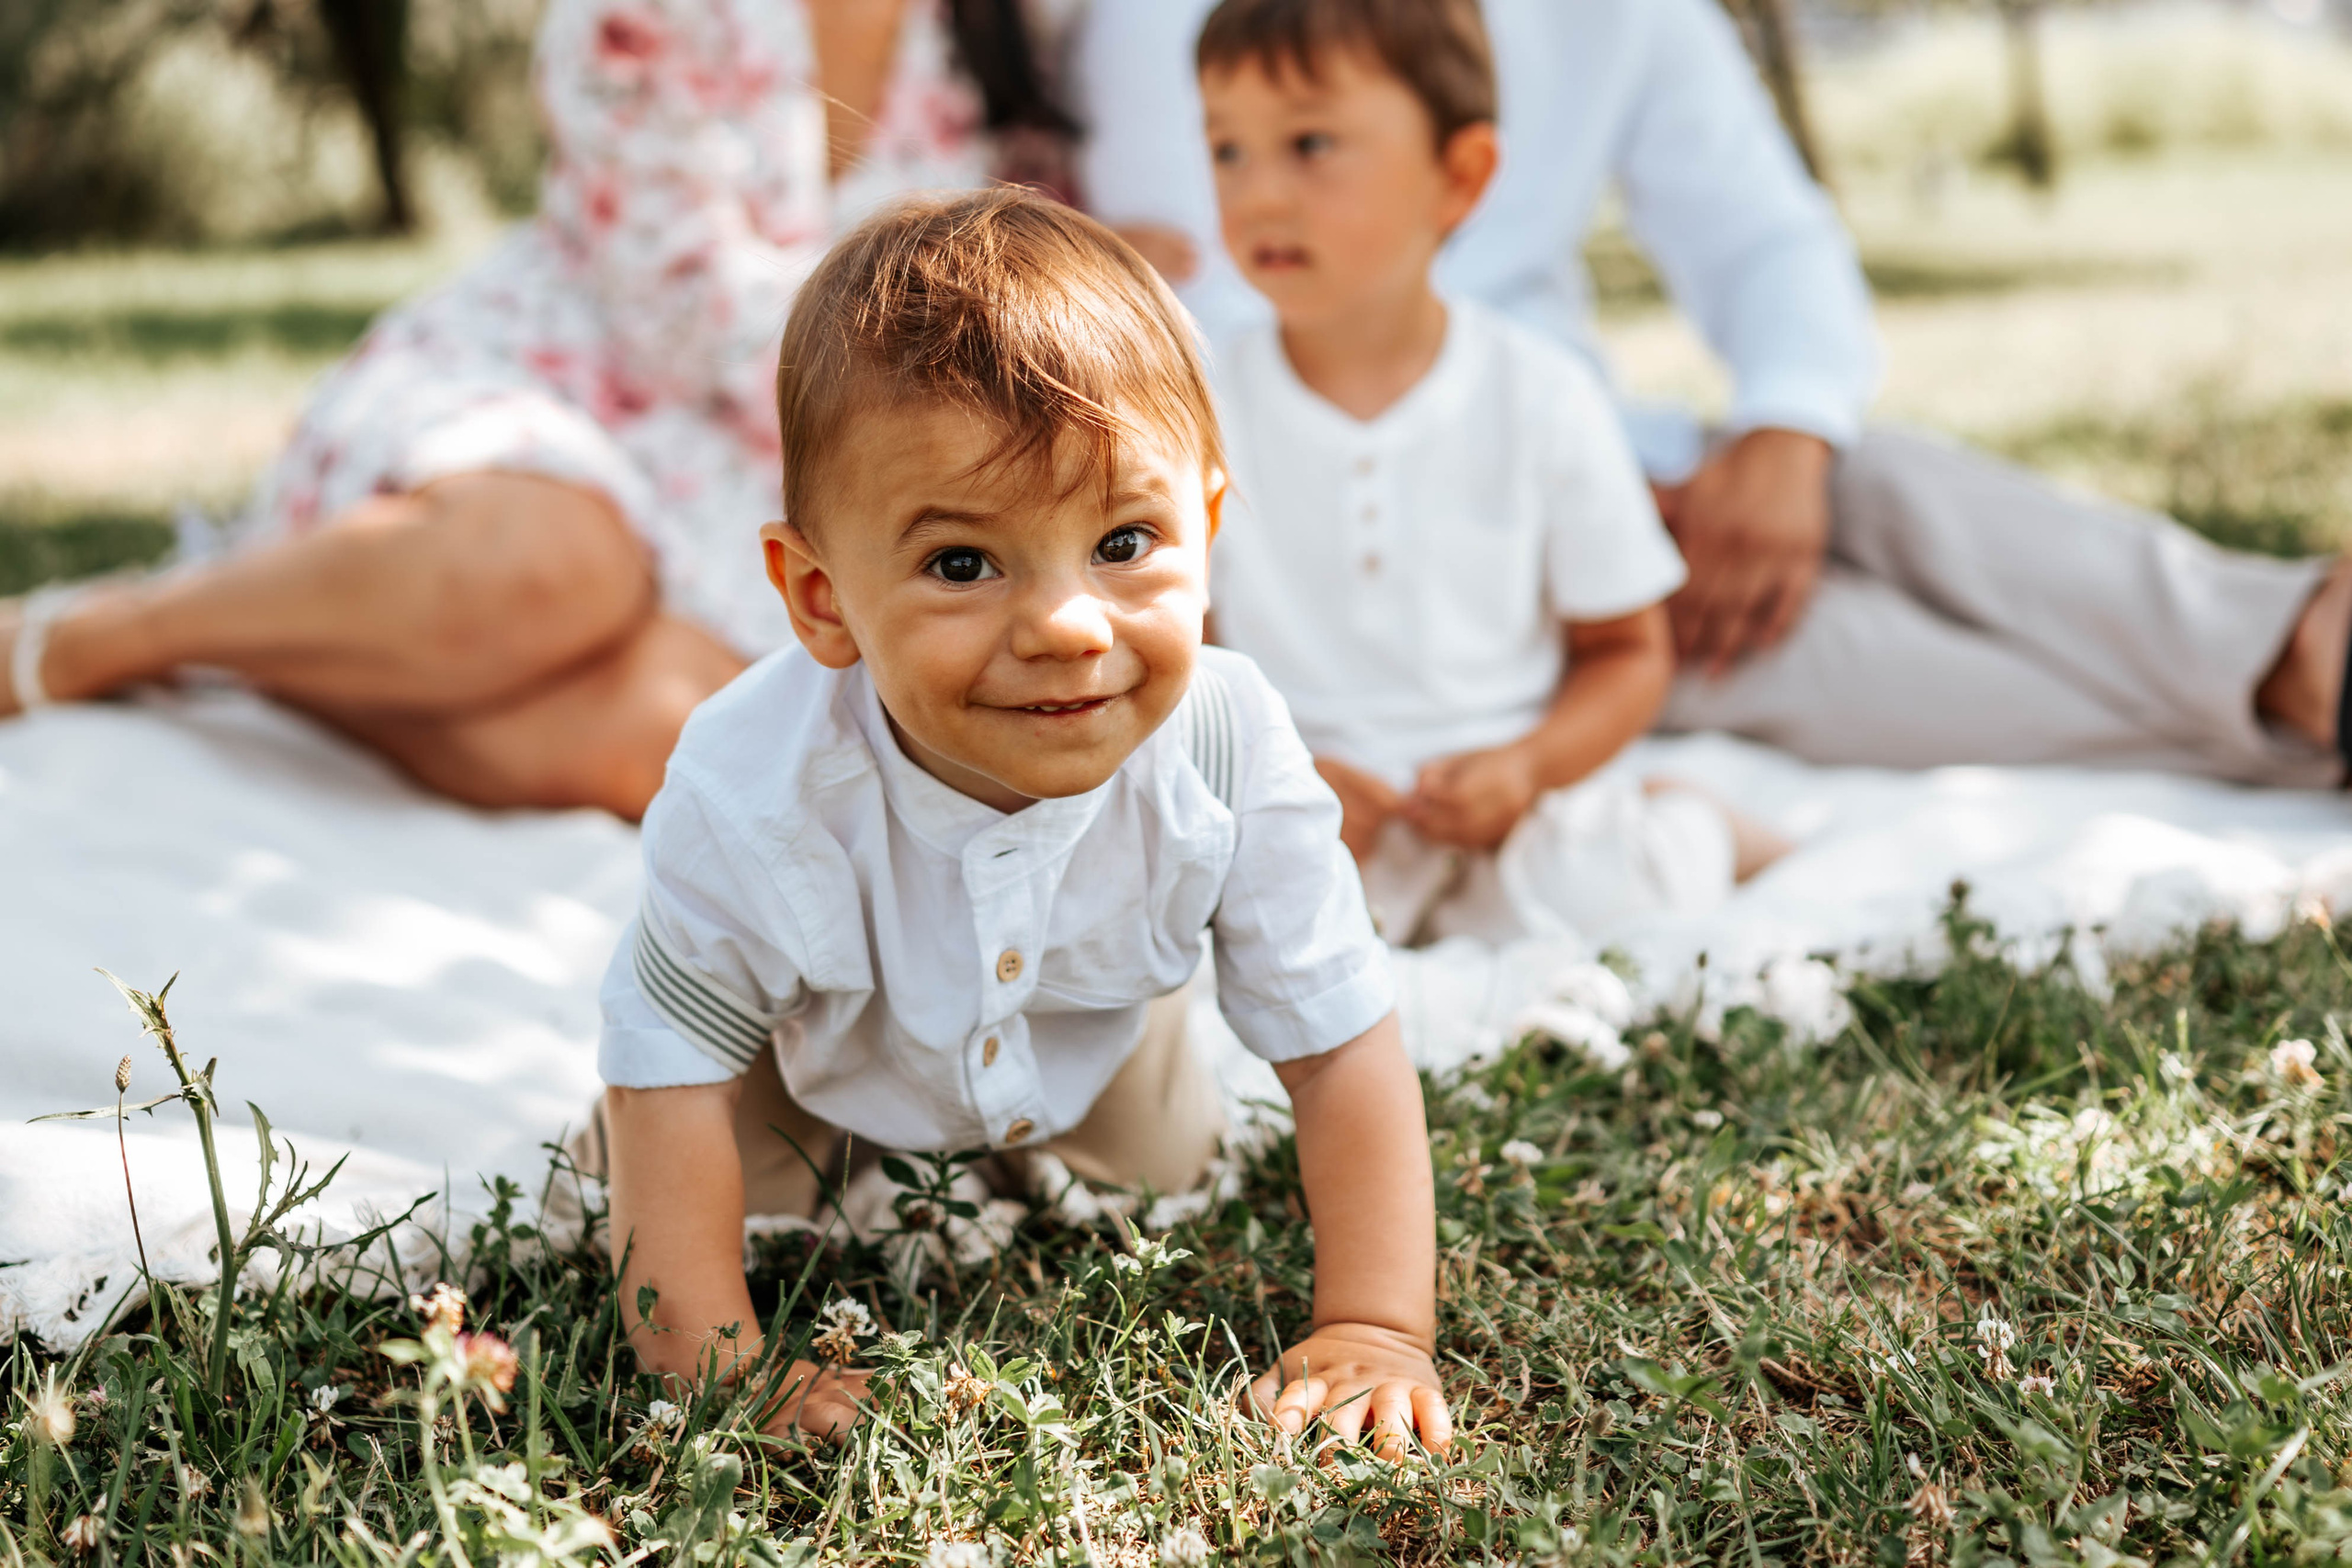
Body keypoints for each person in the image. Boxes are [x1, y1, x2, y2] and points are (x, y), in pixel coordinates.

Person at [591, 190, 1453, 1452]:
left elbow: (1339, 1044)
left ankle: (1108, 1088)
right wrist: (716, 1364)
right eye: (962, 563)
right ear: (821, 597)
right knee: (692, 1192)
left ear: (1207, 527)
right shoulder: (752, 785)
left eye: (1124, 540)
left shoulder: (1227, 745)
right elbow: (672, 1071)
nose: (1066, 625)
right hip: (817, 1060)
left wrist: (1378, 1325)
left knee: (1163, 1172)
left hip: (1090, 1030)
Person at [1078, 0, 2352, 791]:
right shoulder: (1182, 34)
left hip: (1602, 440)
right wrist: (1561, 525)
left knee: (1885, 480)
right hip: (1444, 548)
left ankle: (2298, 646)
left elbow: (1763, 238)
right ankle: (2278, 717)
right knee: (1837, 652)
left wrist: (1785, 434)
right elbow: (1196, 303)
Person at [0, 0, 1074, 820]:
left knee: (716, 739)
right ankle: (105, 637)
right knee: (554, 566)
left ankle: (317, 665)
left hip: (810, 472)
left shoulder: (1015, 30)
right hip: (571, 372)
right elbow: (680, 304)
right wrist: (942, 385)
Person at [1193, 0, 1785, 950]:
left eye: (1309, 144)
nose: (1257, 195)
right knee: (1203, 935)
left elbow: (1628, 654)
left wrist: (1527, 767)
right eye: (1228, 150)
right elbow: (1188, 662)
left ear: (1459, 176)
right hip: (1306, 819)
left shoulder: (1541, 396)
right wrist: (1274, 778)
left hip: (1517, 816)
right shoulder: (1196, 409)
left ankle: (1695, 823)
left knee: (1610, 900)